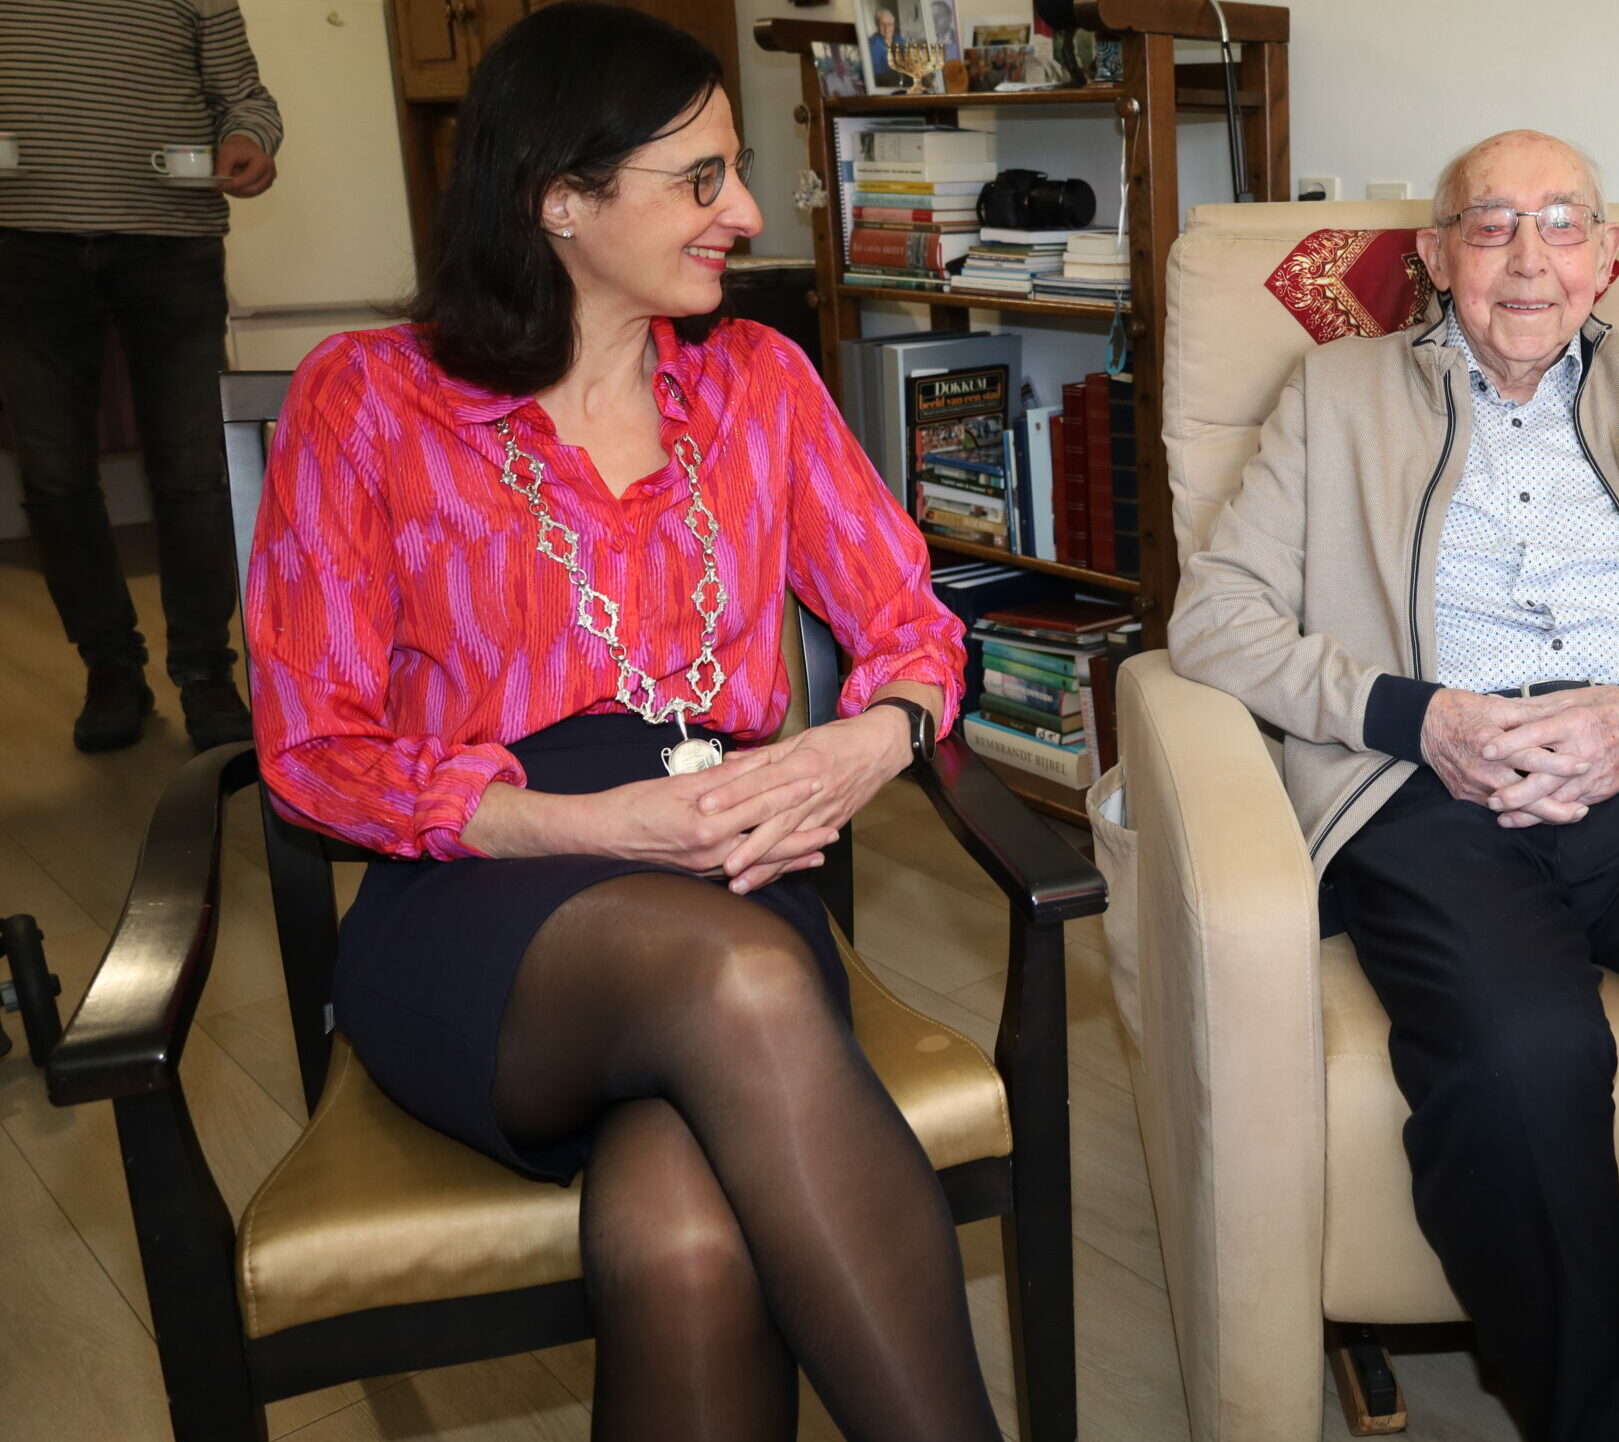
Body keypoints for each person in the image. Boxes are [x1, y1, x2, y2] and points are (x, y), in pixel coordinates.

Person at [244, 7, 999, 1439]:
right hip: (479, 885)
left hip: (724, 853)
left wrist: (873, 737)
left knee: (688, 1240)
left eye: (737, 172)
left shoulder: (757, 381)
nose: (748, 212)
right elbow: (311, 750)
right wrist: (586, 824)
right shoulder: (372, 399)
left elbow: (914, 625)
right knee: (741, 983)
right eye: (701, 177)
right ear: (561, 198)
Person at [1168, 129, 1619, 1442]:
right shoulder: (1335, 396)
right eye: (1490, 223)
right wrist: (1420, 716)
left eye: (1562, 222)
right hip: (1428, 783)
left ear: (1604, 259)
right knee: (1519, 1056)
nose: (1526, 256)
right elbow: (1214, 620)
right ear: (1436, 256)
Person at [0, 0, 278, 752]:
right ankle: (111, 669)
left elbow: (245, 100)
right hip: (23, 245)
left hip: (172, 243)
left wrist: (249, 140)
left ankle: (206, 671)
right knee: (54, 476)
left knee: (193, 471)